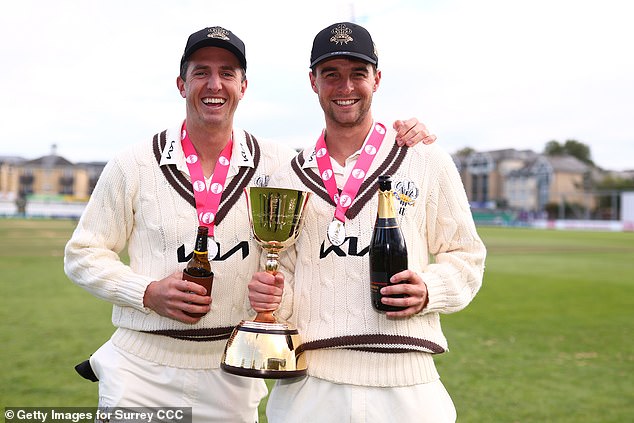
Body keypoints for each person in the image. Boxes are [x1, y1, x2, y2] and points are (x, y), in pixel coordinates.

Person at [64, 25, 435, 422]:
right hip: (141, 367)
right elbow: (83, 254)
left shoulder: (278, 164)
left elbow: (342, 158)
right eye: (201, 71)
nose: (214, 84)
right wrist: (146, 292)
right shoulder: (134, 163)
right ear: (181, 83)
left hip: (234, 371)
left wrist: (408, 137)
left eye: (227, 73)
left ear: (243, 86)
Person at [247, 22, 487, 422]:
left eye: (358, 73)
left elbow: (467, 256)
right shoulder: (289, 177)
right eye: (331, 75)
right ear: (313, 82)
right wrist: (271, 298)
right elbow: (284, 277)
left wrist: (429, 288)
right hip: (311, 387)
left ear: (376, 79)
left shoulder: (425, 158)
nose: (345, 87)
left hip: (407, 386)